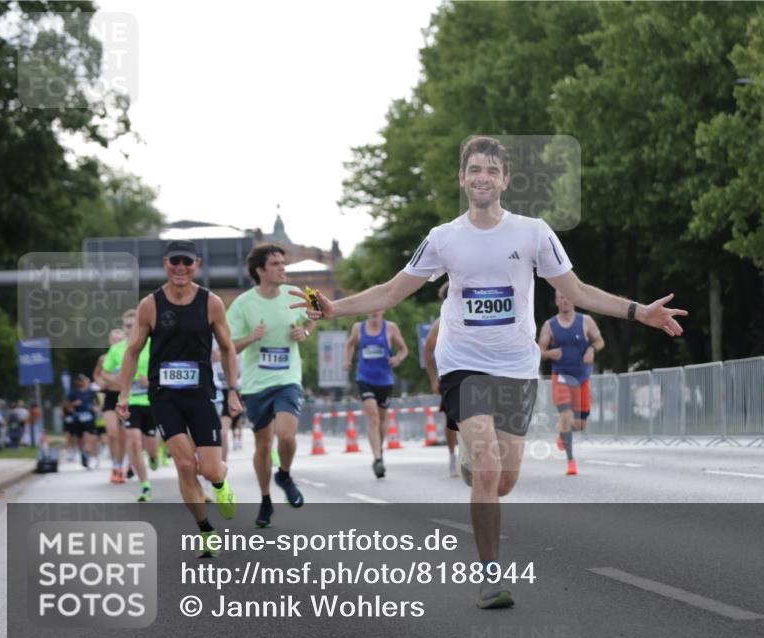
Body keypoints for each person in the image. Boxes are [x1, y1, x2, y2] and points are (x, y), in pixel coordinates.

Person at [293, 136, 687, 608]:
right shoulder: (443, 239)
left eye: (491, 170)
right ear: (462, 178)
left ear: (505, 180)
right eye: (474, 169)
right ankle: (489, 576)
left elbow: (577, 290)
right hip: (464, 364)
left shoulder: (534, 233)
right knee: (487, 466)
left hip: (517, 367)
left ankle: (477, 474)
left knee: (504, 480)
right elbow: (392, 292)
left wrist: (639, 311)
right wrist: (334, 308)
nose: (482, 177)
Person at [117, 240, 241, 555]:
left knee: (210, 469)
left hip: (200, 395)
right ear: (166, 264)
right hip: (165, 398)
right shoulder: (150, 305)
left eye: (187, 261)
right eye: (175, 262)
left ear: (196, 264)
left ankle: (220, 483)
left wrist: (232, 390)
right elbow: (132, 351)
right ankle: (205, 530)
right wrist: (124, 393)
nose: (181, 268)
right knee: (185, 464)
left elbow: (227, 348)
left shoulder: (211, 303)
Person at [227, 244, 314, 528]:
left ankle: (285, 474)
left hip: (287, 379)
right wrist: (251, 337)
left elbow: (310, 321)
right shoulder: (243, 304)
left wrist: (305, 332)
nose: (282, 268)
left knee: (286, 436)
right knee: (263, 444)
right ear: (260, 270)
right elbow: (229, 348)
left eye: (282, 263)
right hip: (255, 385)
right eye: (275, 264)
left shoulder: (293, 295)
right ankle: (265, 499)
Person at [538, 289, 605, 475]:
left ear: (573, 300)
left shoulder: (586, 321)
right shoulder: (549, 326)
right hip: (561, 376)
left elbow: (600, 341)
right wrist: (550, 353)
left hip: (582, 376)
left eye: (567, 297)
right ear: (556, 301)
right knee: (566, 415)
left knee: (580, 424)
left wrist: (592, 349)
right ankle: (571, 461)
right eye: (561, 298)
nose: (565, 301)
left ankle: (562, 432)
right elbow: (539, 351)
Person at [344, 310, 408, 479]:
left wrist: (398, 359)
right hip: (364, 378)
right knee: (372, 417)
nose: (373, 312)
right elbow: (350, 344)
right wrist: (347, 360)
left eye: (377, 308)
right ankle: (377, 459)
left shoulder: (391, 328)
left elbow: (403, 349)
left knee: (381, 420)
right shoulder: (358, 328)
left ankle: (379, 449)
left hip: (385, 380)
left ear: (382, 310)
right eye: (370, 309)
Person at [106, 310, 158, 499]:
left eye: (134, 325)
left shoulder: (152, 344)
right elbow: (105, 372)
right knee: (134, 442)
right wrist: (116, 381)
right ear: (124, 328)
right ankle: (145, 485)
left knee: (151, 448)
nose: (130, 329)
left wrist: (151, 382)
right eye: (127, 326)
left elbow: (165, 370)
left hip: (151, 401)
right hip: (130, 403)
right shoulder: (117, 349)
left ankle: (153, 457)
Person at [424, 281, 460, 477]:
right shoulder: (441, 323)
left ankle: (470, 453)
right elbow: (428, 349)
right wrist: (433, 378)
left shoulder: (473, 317)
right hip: (450, 376)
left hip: (476, 374)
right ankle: (453, 455)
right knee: (452, 420)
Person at [95, 329, 128, 483]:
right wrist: (101, 382)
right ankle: (115, 464)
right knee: (112, 434)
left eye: (120, 339)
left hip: (125, 397)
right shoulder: (104, 358)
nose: (117, 342)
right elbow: (97, 374)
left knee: (123, 437)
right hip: (110, 397)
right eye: (114, 339)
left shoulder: (128, 355)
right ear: (109, 341)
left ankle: (121, 465)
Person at [66, 374, 98, 467]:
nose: (81, 382)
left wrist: (95, 408)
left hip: (89, 417)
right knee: (80, 438)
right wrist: (73, 404)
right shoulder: (73, 393)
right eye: (79, 380)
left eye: (82, 380)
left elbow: (96, 405)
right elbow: (67, 407)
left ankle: (88, 453)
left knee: (87, 435)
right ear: (77, 382)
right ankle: (83, 453)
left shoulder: (91, 392)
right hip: (77, 418)